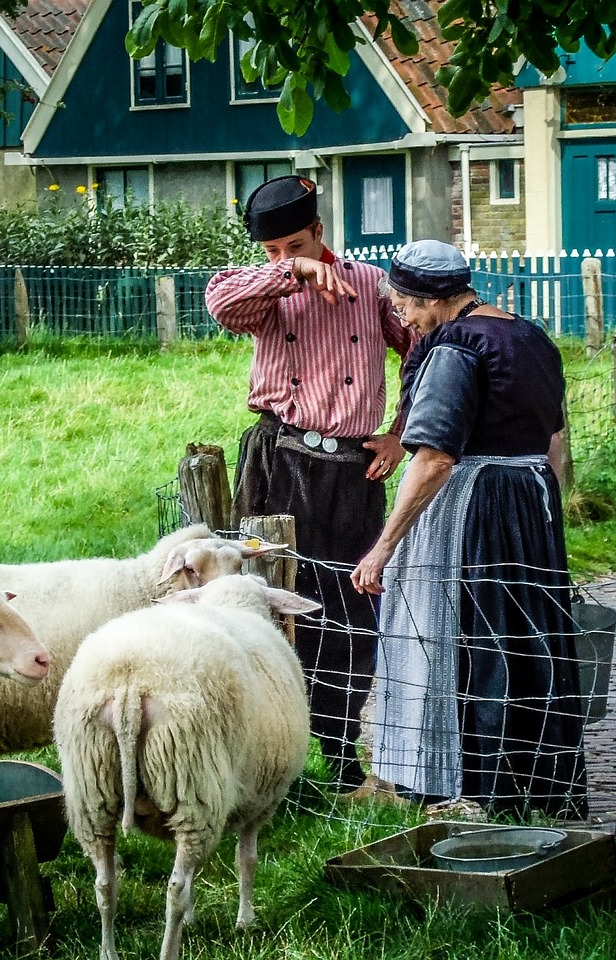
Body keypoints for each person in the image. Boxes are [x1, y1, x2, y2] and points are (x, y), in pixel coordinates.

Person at [350, 239, 587, 819]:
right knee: (525, 640)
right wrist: (543, 512)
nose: (401, 316)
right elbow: (554, 439)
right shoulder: (531, 336)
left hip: (471, 509)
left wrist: (383, 548)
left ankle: (470, 789)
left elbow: (434, 458)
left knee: (466, 638)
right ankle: (535, 785)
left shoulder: (455, 347)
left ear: (432, 300)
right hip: (532, 500)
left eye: (404, 304)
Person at [205, 175, 414, 792]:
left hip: (353, 469)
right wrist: (287, 272)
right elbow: (221, 306)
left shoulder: (373, 285)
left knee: (350, 607)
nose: (282, 256)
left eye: (294, 244)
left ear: (320, 231)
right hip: (280, 457)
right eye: (271, 249)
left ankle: (343, 754)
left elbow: (423, 350)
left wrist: (401, 431)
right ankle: (269, 753)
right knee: (270, 600)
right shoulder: (260, 289)